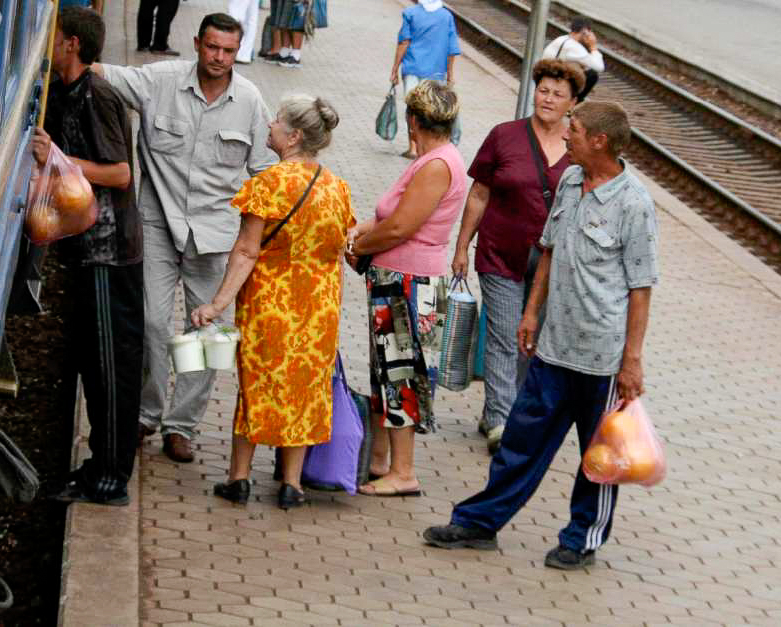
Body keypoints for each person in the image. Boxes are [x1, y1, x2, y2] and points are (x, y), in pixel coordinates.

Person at [424, 100, 659, 569]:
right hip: (553, 348)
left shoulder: (634, 204)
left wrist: (632, 360)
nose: (565, 134)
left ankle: (581, 540)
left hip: (602, 358)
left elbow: (641, 288)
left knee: (599, 458)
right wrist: (530, 314)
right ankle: (480, 523)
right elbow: (547, 251)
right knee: (520, 443)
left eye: (575, 128)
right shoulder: (572, 181)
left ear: (600, 142)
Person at [92, 13, 276, 463]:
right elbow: (103, 73)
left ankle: (182, 424)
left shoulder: (250, 101)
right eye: (212, 47)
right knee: (152, 325)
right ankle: (146, 414)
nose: (219, 58)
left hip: (216, 235)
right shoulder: (160, 81)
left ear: (238, 50)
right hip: (156, 225)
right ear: (197, 43)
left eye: (228, 51)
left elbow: (266, 173)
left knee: (208, 333)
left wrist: (254, 241)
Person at [192, 95, 355, 510]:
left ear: (294, 136)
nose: (270, 125)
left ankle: (239, 478)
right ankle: (292, 484)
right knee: (305, 388)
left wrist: (217, 304)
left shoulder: (267, 185)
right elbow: (342, 246)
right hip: (320, 308)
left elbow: (246, 252)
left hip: (270, 302)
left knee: (256, 386)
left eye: (277, 121)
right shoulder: (337, 188)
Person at [34, 8, 143, 506]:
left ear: (72, 44)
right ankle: (100, 464)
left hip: (108, 251)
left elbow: (120, 173)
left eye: (53, 38)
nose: (48, 44)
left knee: (108, 368)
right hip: (86, 247)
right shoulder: (67, 90)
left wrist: (56, 156)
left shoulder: (98, 96)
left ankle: (110, 479)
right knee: (91, 362)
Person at [451, 60, 583, 454]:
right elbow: (479, 193)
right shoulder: (504, 136)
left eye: (559, 94)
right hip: (500, 252)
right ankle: (500, 420)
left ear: (573, 103)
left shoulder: (578, 147)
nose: (548, 99)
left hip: (552, 261)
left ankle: (513, 409)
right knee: (506, 335)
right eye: (543, 90)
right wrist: (461, 246)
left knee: (533, 340)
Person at [346, 81, 466, 497]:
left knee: (402, 376)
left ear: (413, 121)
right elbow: (391, 218)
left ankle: (404, 471)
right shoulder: (432, 159)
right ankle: (380, 461)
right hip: (398, 280)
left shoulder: (437, 165)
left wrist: (357, 247)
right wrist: (358, 233)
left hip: (410, 285)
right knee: (387, 371)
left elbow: (401, 227)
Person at [390, 0, 460, 159]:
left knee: (413, 109)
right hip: (436, 72)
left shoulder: (411, 13)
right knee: (433, 110)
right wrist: (450, 75)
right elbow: (452, 50)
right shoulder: (446, 17)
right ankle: (429, 149)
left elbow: (404, 42)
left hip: (412, 68)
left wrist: (394, 69)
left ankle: (413, 148)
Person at [542, 17, 604, 100]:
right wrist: (593, 46)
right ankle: (574, 102)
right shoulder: (575, 48)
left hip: (546, 77)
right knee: (592, 75)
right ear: (584, 32)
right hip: (556, 82)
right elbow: (599, 67)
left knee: (583, 70)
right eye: (589, 32)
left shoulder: (562, 39)